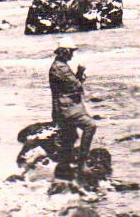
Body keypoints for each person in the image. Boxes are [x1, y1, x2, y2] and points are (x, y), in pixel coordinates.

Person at [49, 36, 97, 176]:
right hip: (67, 108)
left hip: (64, 107)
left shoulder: (59, 66)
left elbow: (72, 85)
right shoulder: (61, 68)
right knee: (90, 126)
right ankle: (82, 164)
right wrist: (80, 73)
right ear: (64, 52)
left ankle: (66, 170)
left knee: (69, 139)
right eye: (70, 51)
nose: (72, 54)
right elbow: (77, 86)